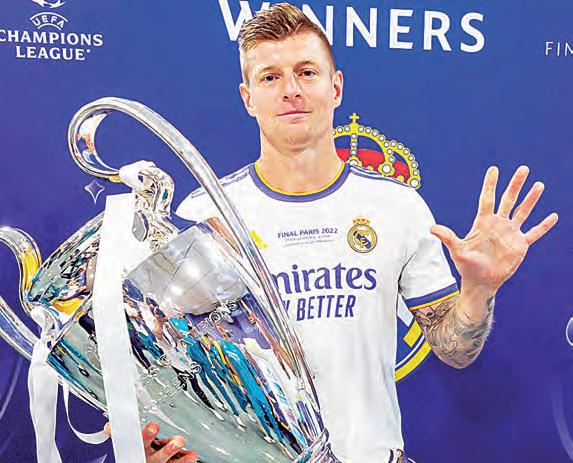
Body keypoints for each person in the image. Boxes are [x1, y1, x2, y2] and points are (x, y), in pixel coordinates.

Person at [127, 3, 558, 463]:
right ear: (248, 98)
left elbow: (454, 348)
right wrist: (151, 443)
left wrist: (478, 289)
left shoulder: (397, 207)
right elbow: (168, 364)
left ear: (335, 87)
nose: (291, 90)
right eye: (270, 77)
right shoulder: (203, 214)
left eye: (306, 72)